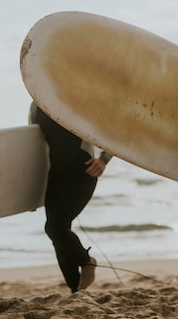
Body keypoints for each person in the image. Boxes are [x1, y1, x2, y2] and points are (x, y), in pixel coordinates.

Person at [29, 101, 113, 293]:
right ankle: (76, 289)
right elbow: (33, 149)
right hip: (54, 178)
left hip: (83, 174)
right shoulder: (36, 105)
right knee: (59, 234)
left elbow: (115, 131)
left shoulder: (78, 96)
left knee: (55, 227)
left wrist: (103, 160)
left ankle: (87, 262)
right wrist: (30, 191)